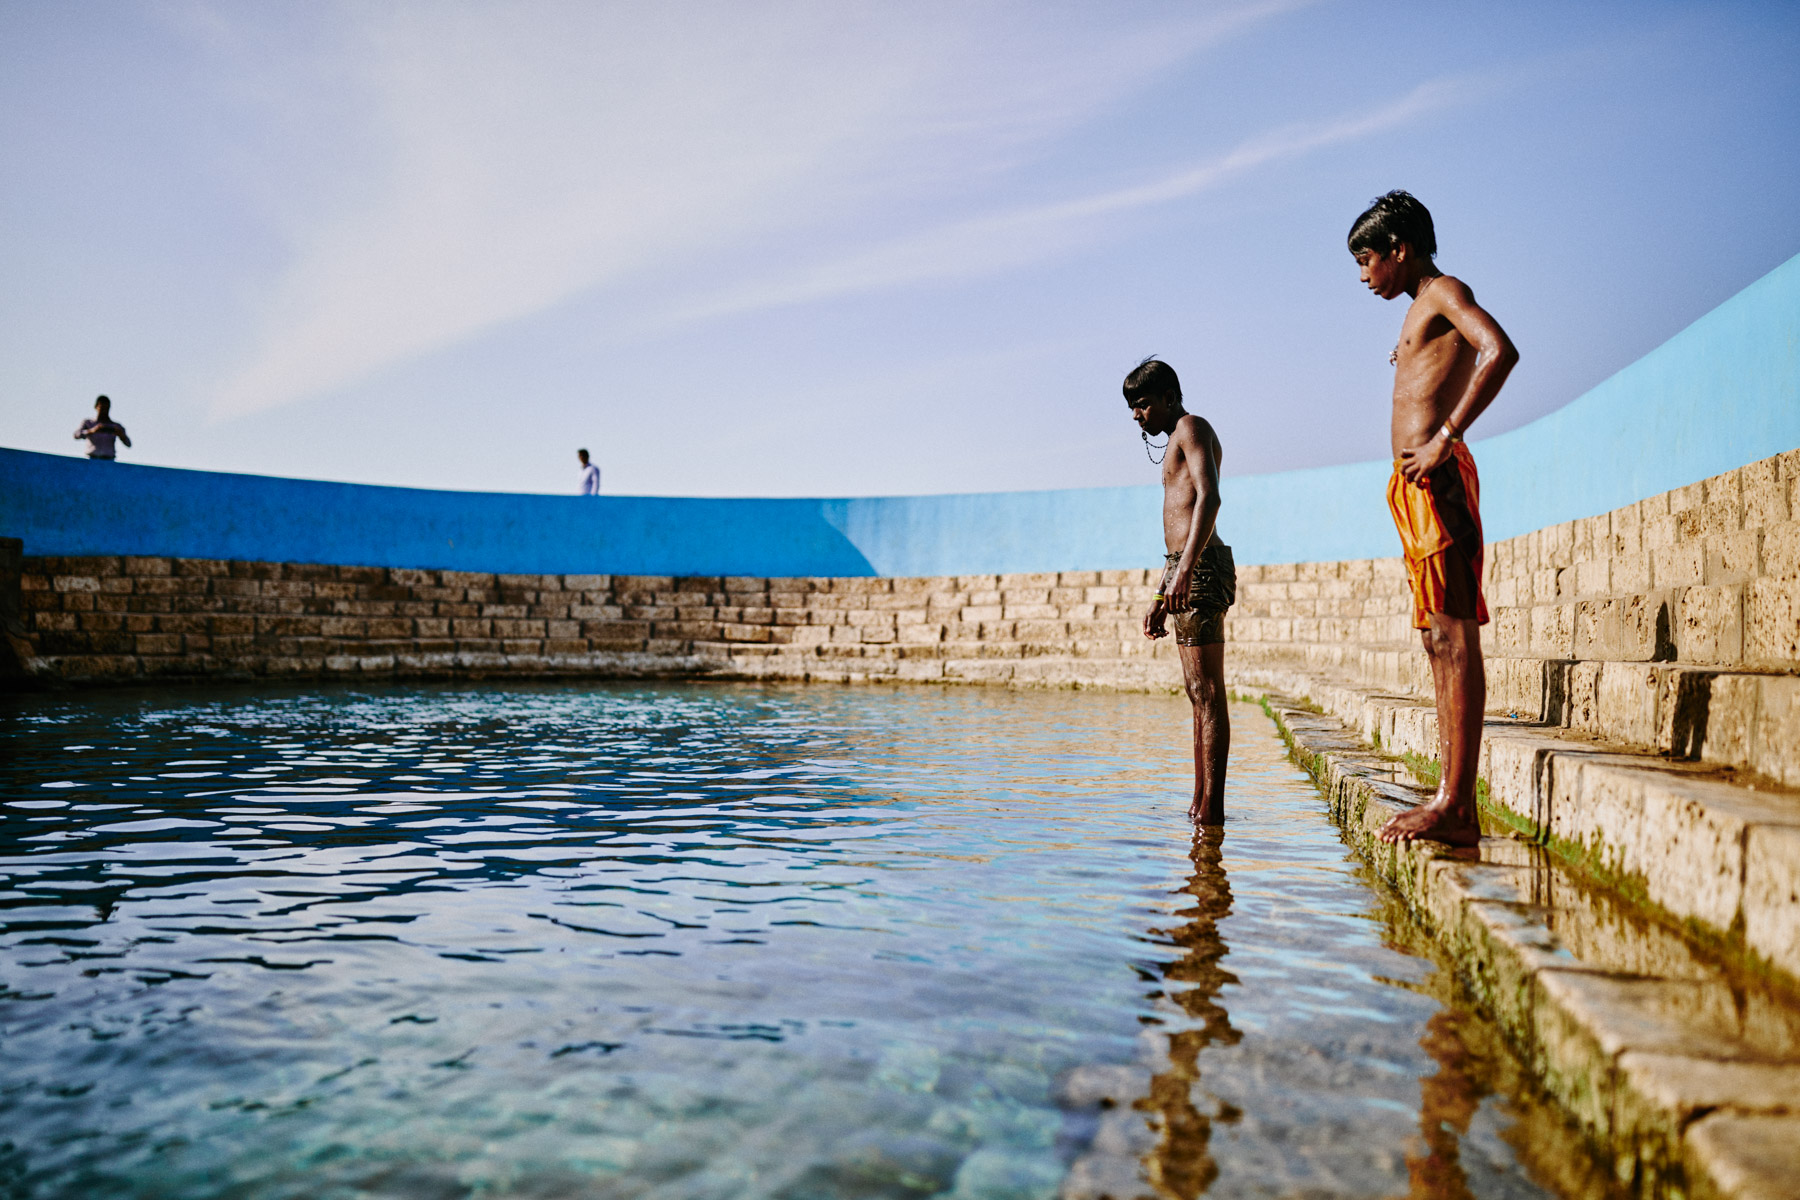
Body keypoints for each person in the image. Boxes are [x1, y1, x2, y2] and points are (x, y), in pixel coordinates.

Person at [1349, 190, 1518, 846]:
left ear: (1401, 249)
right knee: (1433, 639)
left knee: (1453, 636)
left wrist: (1446, 434)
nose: (1363, 274)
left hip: (1439, 479)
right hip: (1413, 487)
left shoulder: (1445, 289)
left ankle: (1456, 805)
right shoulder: (1419, 309)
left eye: (1368, 258)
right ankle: (1450, 797)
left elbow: (1499, 349)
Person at [1126, 357, 1235, 824]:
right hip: (1184, 568)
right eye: (1133, 408)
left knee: (1207, 691)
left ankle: (1212, 810)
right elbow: (1177, 530)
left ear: (1169, 396)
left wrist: (1187, 571)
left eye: (1144, 404)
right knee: (1196, 692)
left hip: (1202, 566)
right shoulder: (1174, 440)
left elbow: (1209, 498)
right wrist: (1160, 596)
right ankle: (1200, 806)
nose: (1137, 416)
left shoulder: (1191, 427)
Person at [74, 395, 130, 460]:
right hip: (92, 458)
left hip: (109, 460)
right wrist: (92, 431)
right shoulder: (88, 423)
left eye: (107, 408)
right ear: (96, 407)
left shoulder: (115, 426)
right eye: (102, 408)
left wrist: (121, 435)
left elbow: (128, 444)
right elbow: (76, 435)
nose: (104, 411)